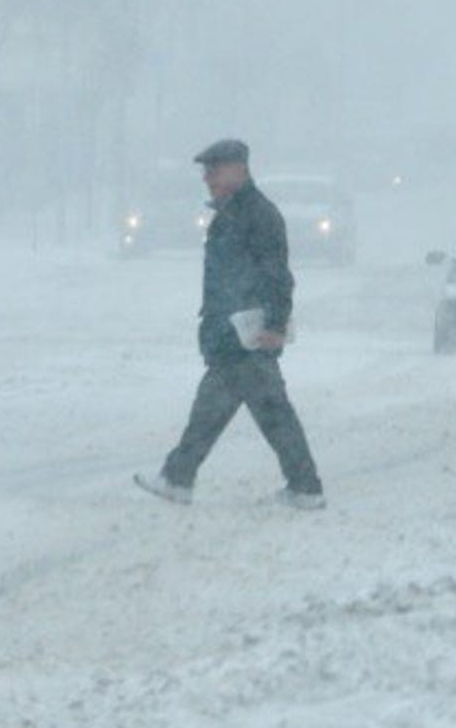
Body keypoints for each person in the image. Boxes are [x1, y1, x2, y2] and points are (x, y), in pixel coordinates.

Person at [135, 139, 325, 510]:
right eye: (205, 171)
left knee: (269, 414)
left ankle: (305, 488)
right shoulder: (234, 213)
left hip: (247, 334)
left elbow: (277, 274)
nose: (206, 178)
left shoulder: (258, 215)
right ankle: (179, 477)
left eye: (213, 169)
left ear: (239, 169)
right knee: (220, 411)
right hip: (232, 332)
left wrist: (275, 323)